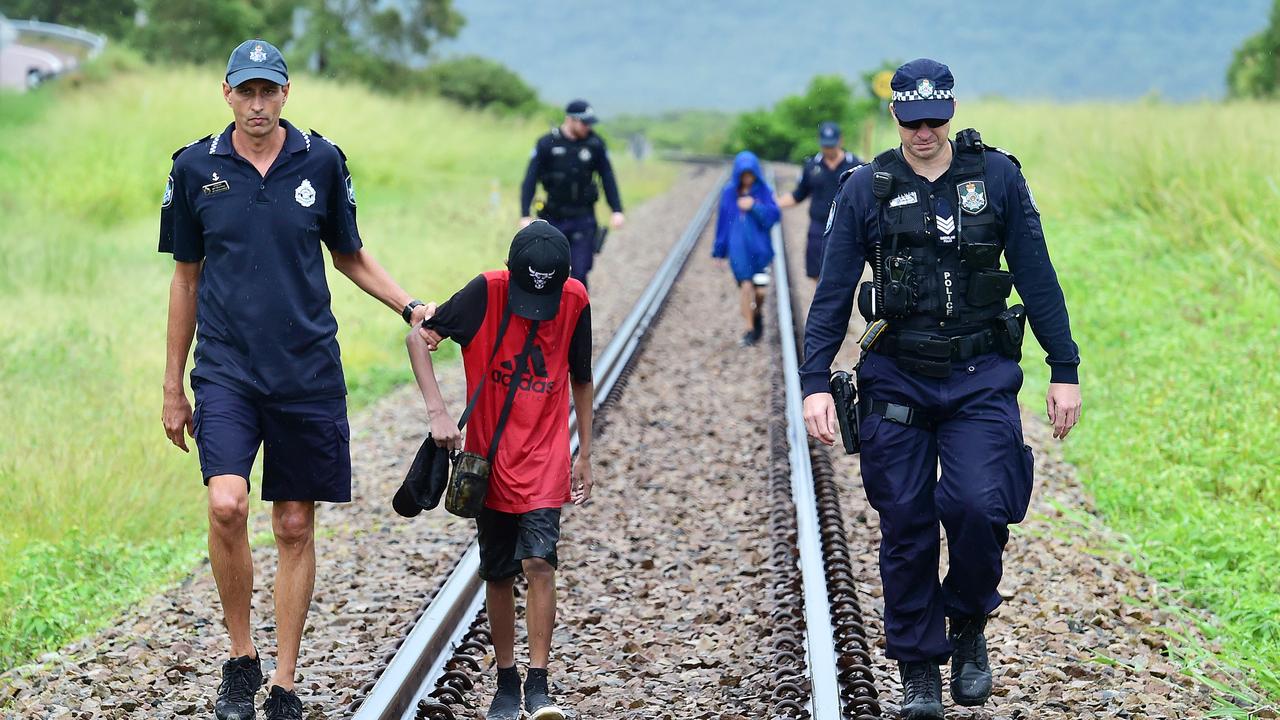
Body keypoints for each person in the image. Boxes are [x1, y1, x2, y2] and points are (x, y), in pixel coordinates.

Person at [158, 39, 434, 720]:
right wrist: (172, 386)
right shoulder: (195, 167)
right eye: (245, 91)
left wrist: (411, 306)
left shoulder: (323, 160)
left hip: (307, 370)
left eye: (268, 91)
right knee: (226, 504)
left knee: (292, 523)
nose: (257, 104)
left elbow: (350, 255)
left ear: (285, 93)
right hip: (226, 370)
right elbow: (185, 279)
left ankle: (283, 682)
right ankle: (241, 660)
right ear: (226, 91)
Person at [799, 58, 1082, 719]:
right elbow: (834, 292)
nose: (924, 132)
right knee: (905, 523)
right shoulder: (865, 188)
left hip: (980, 375)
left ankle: (968, 620)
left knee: (981, 506)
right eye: (911, 121)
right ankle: (919, 668)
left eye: (935, 120)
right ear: (895, 115)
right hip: (896, 375)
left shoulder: (999, 178)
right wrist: (816, 382)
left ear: (950, 113)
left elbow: (1037, 277)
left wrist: (1063, 367)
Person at [408, 221, 594, 720]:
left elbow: (582, 374)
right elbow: (418, 337)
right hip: (488, 461)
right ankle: (506, 683)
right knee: (497, 570)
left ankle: (539, 684)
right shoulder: (484, 292)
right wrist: (438, 412)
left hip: (545, 457)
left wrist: (586, 453)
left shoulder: (575, 299)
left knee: (538, 563)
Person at [519, 99, 625, 288]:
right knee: (548, 271)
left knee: (579, 273)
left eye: (590, 123)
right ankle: (550, 315)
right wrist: (524, 214)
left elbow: (607, 177)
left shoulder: (595, 144)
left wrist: (616, 209)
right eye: (584, 122)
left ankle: (577, 315)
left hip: (583, 218)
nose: (587, 127)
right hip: (553, 217)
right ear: (569, 119)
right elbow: (530, 179)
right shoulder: (547, 143)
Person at [777, 121, 863, 280]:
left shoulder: (856, 166)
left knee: (843, 273)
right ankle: (822, 302)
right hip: (818, 227)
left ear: (840, 140)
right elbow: (799, 194)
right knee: (817, 272)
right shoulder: (811, 166)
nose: (829, 149)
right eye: (826, 146)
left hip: (846, 228)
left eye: (832, 145)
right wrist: (773, 204)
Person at [713, 150, 780, 346]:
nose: (747, 179)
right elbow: (723, 222)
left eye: (750, 174)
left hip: (760, 251)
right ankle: (750, 330)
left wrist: (754, 206)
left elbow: (773, 217)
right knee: (745, 287)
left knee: (760, 292)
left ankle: (757, 314)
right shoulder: (728, 193)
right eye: (743, 175)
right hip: (738, 250)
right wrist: (719, 250)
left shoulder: (764, 191)